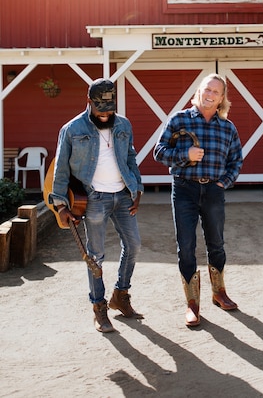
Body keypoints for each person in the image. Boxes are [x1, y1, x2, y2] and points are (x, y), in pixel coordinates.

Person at [49, 78, 144, 333]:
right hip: (93, 199)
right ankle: (99, 307)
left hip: (123, 195)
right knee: (96, 256)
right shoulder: (71, 129)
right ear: (88, 101)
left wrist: (138, 189)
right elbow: (60, 169)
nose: (106, 113)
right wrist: (60, 205)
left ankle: (120, 295)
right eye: (100, 108)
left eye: (110, 108)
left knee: (134, 245)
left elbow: (131, 158)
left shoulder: (123, 124)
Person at [153, 73, 243, 327]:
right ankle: (192, 305)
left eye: (216, 91)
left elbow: (237, 160)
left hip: (213, 191)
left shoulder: (227, 127)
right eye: (207, 89)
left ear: (222, 98)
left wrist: (223, 183)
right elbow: (159, 152)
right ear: (198, 91)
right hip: (184, 189)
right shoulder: (179, 119)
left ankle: (219, 293)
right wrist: (186, 154)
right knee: (186, 245)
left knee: (217, 243)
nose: (210, 94)